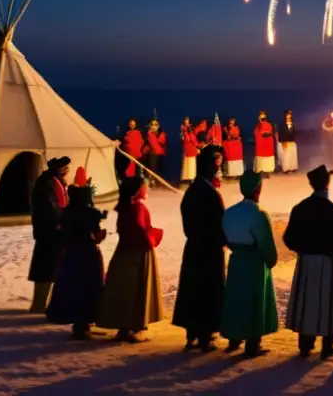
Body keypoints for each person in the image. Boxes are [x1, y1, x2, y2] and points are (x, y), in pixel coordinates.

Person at [284, 164, 333, 359]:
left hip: (307, 262)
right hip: (328, 263)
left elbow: (289, 238)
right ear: (327, 184)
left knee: (308, 301)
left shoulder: (300, 208)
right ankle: (327, 345)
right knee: (329, 302)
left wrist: (304, 250)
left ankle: (305, 344)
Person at [172, 145, 226, 353]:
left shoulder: (192, 191)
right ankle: (205, 334)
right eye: (217, 165)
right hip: (209, 251)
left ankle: (192, 332)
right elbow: (219, 223)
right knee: (207, 290)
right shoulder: (210, 194)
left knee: (193, 288)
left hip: (194, 247)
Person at [96, 177, 164, 341]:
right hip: (139, 251)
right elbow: (140, 229)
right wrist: (153, 236)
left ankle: (124, 326)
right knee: (138, 288)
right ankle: (136, 326)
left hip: (123, 251)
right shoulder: (138, 207)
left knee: (124, 289)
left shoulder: (124, 207)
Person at [221, 170, 279, 356]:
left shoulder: (230, 212)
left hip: (237, 260)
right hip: (254, 262)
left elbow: (225, 238)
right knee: (255, 302)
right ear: (257, 189)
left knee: (236, 299)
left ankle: (234, 337)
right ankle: (253, 343)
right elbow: (266, 243)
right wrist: (270, 260)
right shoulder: (259, 213)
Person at [46, 168, 107, 339]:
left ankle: (78, 324)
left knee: (73, 288)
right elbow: (93, 236)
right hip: (88, 256)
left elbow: (64, 232)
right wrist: (100, 235)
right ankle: (84, 324)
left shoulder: (67, 212)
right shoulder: (91, 214)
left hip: (71, 256)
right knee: (88, 289)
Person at [28, 156, 70, 313]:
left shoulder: (56, 181)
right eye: (64, 168)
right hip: (48, 232)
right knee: (45, 268)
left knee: (53, 268)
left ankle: (47, 304)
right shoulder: (45, 183)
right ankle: (38, 304)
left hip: (56, 233)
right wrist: (62, 219)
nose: (67, 171)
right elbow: (49, 207)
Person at [144, 119, 167, 185]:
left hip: (159, 155)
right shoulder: (148, 134)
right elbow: (147, 144)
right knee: (149, 167)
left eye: (156, 124)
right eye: (152, 124)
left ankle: (154, 181)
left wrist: (151, 134)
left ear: (159, 126)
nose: (154, 126)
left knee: (156, 168)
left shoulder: (162, 134)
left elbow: (157, 145)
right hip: (150, 155)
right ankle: (150, 181)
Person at [253, 111, 276, 176]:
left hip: (267, 143)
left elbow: (270, 132)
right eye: (261, 115)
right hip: (260, 144)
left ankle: (267, 171)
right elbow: (256, 133)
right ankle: (261, 171)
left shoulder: (269, 124)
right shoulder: (258, 126)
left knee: (267, 158)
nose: (262, 117)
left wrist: (266, 133)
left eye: (263, 115)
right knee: (261, 158)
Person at [277, 109, 299, 174]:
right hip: (285, 142)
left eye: (290, 115)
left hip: (292, 142)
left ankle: (292, 168)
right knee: (286, 156)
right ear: (285, 116)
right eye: (287, 115)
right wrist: (283, 141)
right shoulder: (282, 125)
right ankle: (285, 169)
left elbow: (295, 133)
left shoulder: (293, 124)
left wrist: (294, 139)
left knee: (292, 156)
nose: (288, 116)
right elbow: (281, 133)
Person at [180, 116, 200, 185]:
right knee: (187, 163)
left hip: (191, 148)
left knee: (191, 163)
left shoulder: (191, 128)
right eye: (185, 120)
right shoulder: (183, 129)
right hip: (187, 148)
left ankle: (191, 178)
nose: (186, 121)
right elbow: (186, 138)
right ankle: (187, 178)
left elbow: (192, 138)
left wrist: (197, 146)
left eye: (187, 120)